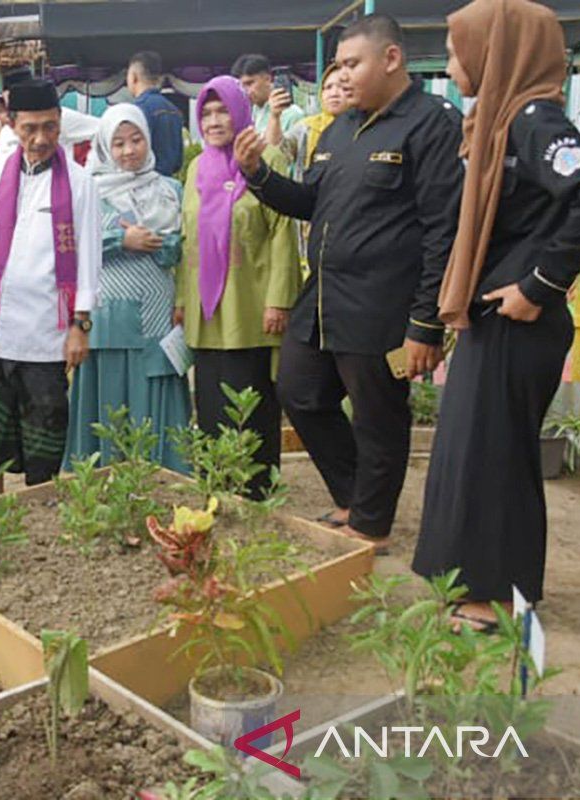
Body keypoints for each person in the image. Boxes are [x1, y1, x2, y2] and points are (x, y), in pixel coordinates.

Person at [413, 0, 580, 631]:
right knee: (471, 450)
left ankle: (492, 597)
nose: (452, 66)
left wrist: (538, 282)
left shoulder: (535, 121)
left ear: (496, 52)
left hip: (520, 320)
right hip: (495, 320)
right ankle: (474, 584)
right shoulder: (498, 122)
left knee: (494, 456)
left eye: (458, 52)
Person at [235, 14, 464, 551]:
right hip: (324, 297)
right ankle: (353, 495)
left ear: (391, 59)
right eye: (339, 65)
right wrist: (259, 176)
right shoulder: (339, 128)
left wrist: (425, 323)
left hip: (384, 303)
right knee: (300, 392)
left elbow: (442, 229)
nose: (344, 76)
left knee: (379, 414)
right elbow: (311, 201)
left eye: (353, 64)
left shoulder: (432, 123)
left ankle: (372, 524)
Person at [0, 79, 102, 493]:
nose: (41, 138)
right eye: (30, 128)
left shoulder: (80, 183)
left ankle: (41, 510)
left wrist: (80, 325)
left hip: (49, 329)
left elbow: (90, 260)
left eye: (50, 127)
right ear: (11, 123)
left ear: (61, 123)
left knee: (44, 429)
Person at [177, 76, 301, 496]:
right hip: (205, 311)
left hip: (252, 307)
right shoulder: (195, 167)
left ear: (241, 111)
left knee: (251, 399)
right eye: (206, 113)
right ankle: (217, 487)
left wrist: (279, 300)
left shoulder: (267, 159)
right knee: (210, 400)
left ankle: (256, 490)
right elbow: (186, 239)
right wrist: (181, 300)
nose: (214, 121)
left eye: (222, 110)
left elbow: (284, 232)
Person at [66, 104, 190, 471]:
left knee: (153, 392)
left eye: (136, 140)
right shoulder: (88, 190)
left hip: (156, 312)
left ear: (148, 141)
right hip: (108, 315)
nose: (129, 150)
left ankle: (165, 475)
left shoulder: (170, 189)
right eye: (118, 143)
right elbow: (73, 245)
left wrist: (166, 245)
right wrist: (121, 238)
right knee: (108, 398)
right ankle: (104, 479)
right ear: (104, 147)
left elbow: (186, 246)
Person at [126, 50, 185, 178]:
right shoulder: (175, 110)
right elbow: (178, 161)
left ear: (134, 77)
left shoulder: (135, 111)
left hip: (143, 185)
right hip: (168, 184)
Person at [284, 63, 347, 178]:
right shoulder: (307, 127)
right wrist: (274, 116)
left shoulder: (364, 129)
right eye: (328, 87)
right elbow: (280, 154)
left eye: (342, 87)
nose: (334, 93)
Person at [231, 54, 305, 150]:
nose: (245, 90)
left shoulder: (293, 114)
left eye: (249, 83)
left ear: (268, 79)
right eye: (241, 86)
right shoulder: (250, 113)